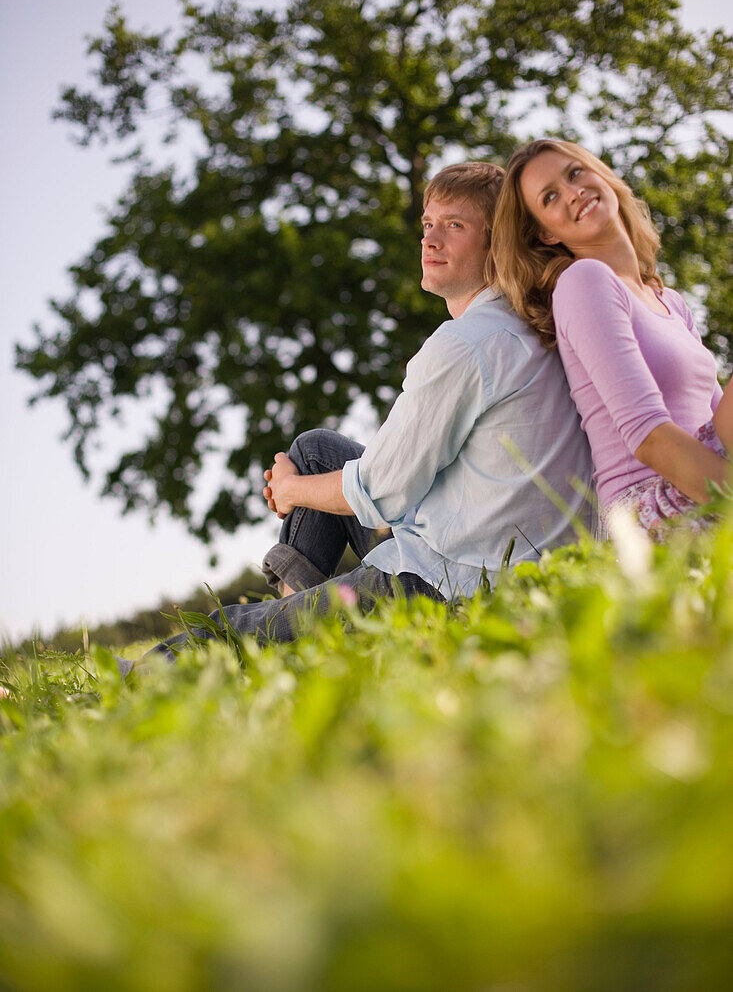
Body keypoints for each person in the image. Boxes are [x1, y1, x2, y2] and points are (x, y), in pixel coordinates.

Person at [120, 161, 593, 675]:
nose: (430, 240)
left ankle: (117, 690)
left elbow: (383, 492)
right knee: (318, 448)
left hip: (446, 586)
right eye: (427, 225)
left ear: (497, 242)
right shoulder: (538, 322)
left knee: (230, 630)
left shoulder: (465, 345)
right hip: (499, 553)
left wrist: (292, 492)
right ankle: (301, 615)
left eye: (454, 226)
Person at [490, 138, 732, 538]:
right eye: (550, 197)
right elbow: (648, 437)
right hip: (651, 504)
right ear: (546, 234)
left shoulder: (669, 301)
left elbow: (719, 420)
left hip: (704, 474)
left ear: (600, 174)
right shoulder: (584, 281)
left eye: (575, 173)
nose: (573, 193)